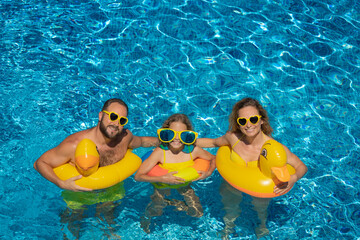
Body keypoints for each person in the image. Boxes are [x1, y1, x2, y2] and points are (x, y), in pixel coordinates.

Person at [34, 98, 159, 239]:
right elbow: (40, 163)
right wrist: (61, 183)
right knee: (72, 226)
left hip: (111, 189)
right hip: (79, 193)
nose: (116, 123)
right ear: (101, 115)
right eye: (112, 116)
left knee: (109, 223)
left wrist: (164, 142)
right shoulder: (74, 145)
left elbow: (142, 141)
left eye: (122, 120)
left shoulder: (125, 138)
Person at [197, 97, 308, 239]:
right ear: (238, 123)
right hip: (232, 184)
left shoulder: (273, 149)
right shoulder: (233, 138)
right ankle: (227, 230)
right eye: (243, 121)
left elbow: (301, 166)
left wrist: (293, 178)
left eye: (253, 119)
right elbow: (212, 142)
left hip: (260, 191)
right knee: (230, 212)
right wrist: (182, 140)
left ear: (262, 120)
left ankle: (261, 226)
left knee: (260, 212)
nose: (248, 125)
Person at [134, 114, 216, 233]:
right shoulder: (160, 152)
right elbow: (138, 176)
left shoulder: (193, 151)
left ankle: (173, 203)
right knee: (156, 211)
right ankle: (147, 221)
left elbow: (214, 158)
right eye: (172, 133)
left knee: (197, 212)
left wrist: (208, 173)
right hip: (161, 186)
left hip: (184, 184)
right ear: (166, 133)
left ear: (187, 135)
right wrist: (163, 179)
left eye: (181, 134)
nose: (176, 138)